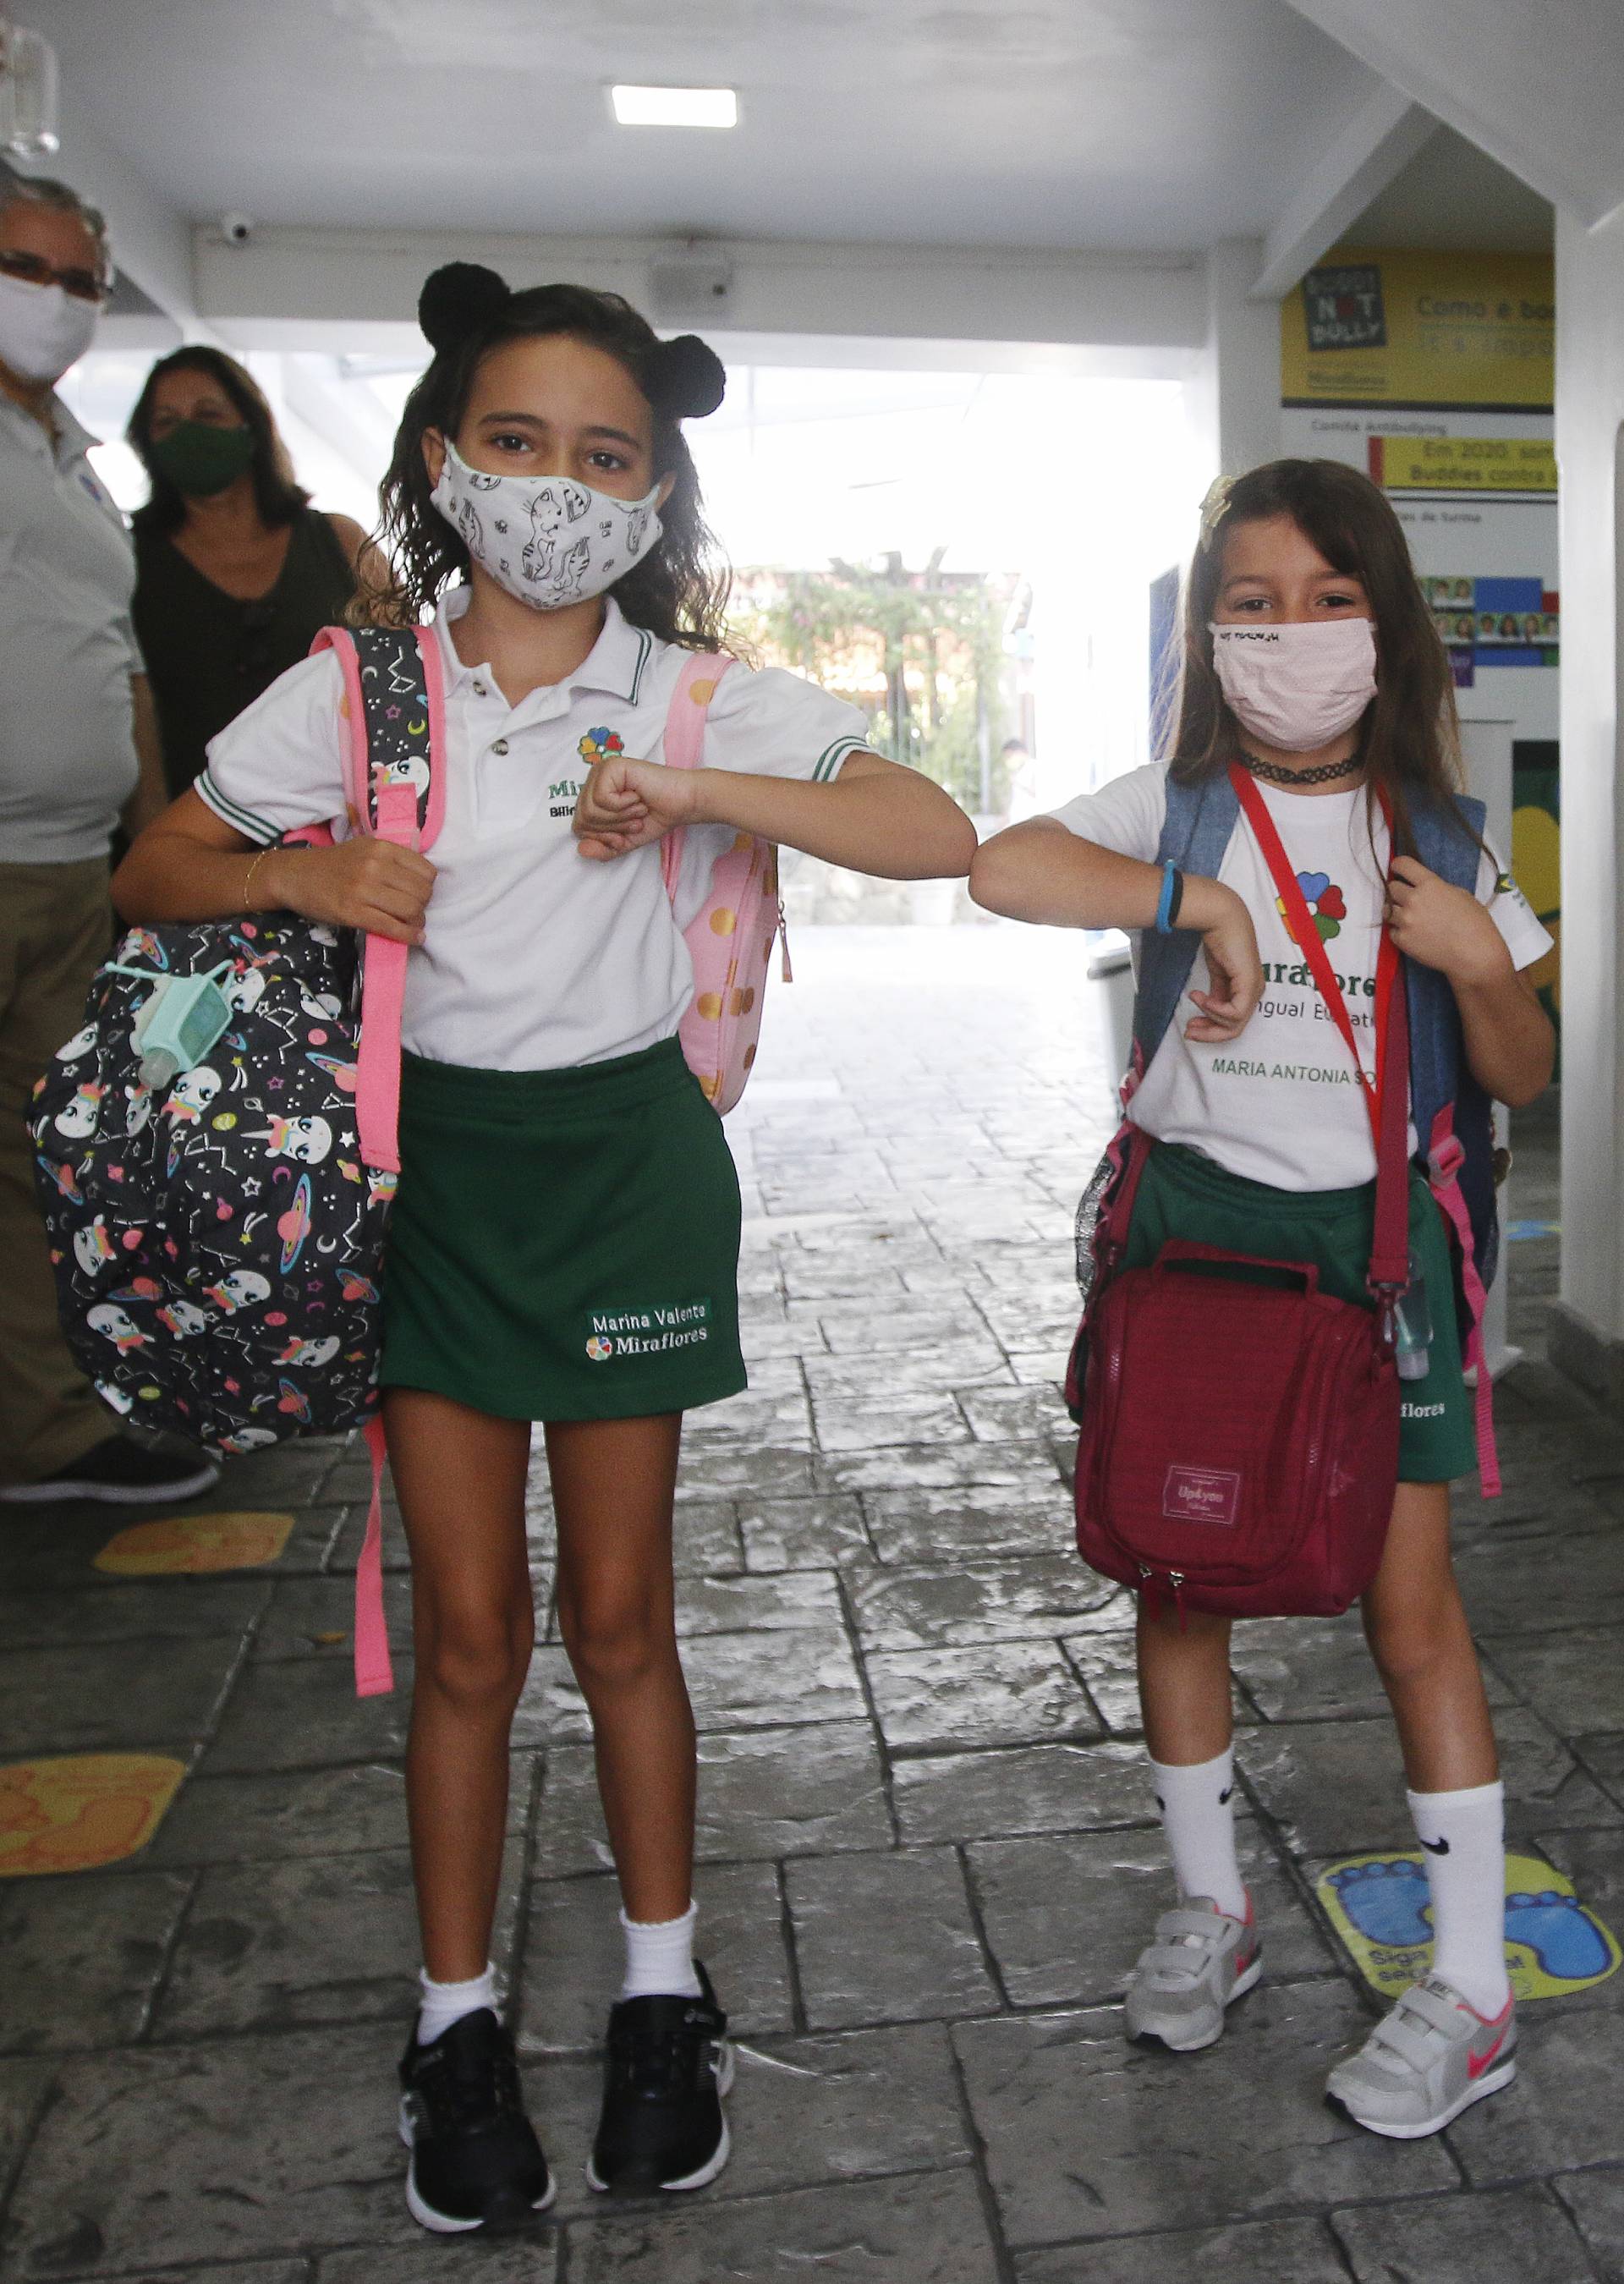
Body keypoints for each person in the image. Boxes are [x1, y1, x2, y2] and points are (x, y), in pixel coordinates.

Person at [113, 262, 976, 2235]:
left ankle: (667, 1998)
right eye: (517, 443)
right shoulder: (364, 681)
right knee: (472, 1638)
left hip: (623, 1172)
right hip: (434, 1191)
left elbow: (925, 829)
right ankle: (456, 2017)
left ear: (655, 497)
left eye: (607, 457)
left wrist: (692, 785)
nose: (557, 487)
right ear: (443, 459)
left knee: (619, 1618)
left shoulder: (687, 689)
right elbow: (159, 863)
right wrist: (299, 867)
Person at [970, 458, 1553, 2141]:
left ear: (1386, 625)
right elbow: (1003, 869)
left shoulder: (1442, 836)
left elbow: (1530, 1064)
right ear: (1208, 633)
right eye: (1251, 604)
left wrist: (1469, 960)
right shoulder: (1178, 807)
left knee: (1411, 1613)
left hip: (1385, 1256)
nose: (1290, 634)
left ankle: (1471, 1986)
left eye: (1328, 599)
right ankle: (1212, 1913)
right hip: (1197, 1243)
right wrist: (1196, 899)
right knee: (1180, 1570)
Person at [0, 166, 217, 1510]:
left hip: (71, 864)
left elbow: (118, 662)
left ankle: (46, 1431)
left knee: (50, 1156)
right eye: (30, 269)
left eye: (83, 280)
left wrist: (151, 841)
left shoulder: (73, 459)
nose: (62, 301)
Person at [126, 347, 372, 799]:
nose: (190, 433)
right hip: (189, 832)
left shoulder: (340, 541)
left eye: (209, 413)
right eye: (166, 422)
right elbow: (126, 710)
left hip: (335, 830)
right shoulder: (127, 559)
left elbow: (404, 679)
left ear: (251, 425)